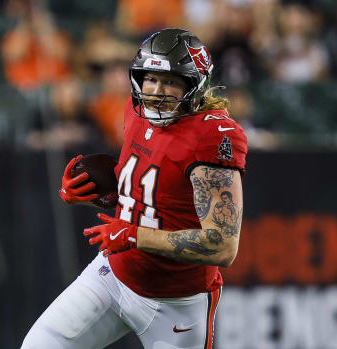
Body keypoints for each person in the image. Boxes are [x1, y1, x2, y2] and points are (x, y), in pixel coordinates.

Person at [21, 28, 248, 349]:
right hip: (114, 276)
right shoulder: (134, 109)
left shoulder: (211, 137)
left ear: (194, 85)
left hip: (176, 303)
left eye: (170, 81)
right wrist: (95, 192)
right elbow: (154, 192)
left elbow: (222, 246)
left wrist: (133, 235)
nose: (156, 90)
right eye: (150, 78)